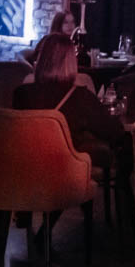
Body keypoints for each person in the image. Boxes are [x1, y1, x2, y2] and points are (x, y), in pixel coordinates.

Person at [13, 34, 123, 170]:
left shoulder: (21, 93)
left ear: (41, 60)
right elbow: (114, 131)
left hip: (28, 167)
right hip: (66, 170)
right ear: (71, 63)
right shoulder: (81, 97)